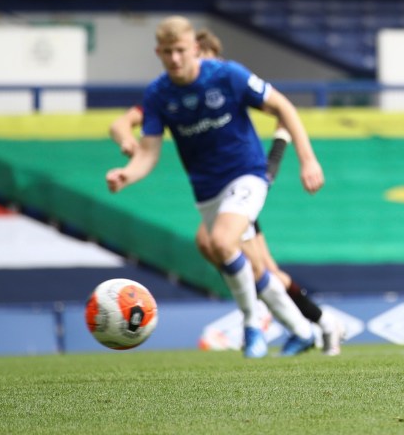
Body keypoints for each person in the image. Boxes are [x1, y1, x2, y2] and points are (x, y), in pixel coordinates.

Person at [109, 28, 345, 356]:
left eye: (187, 53)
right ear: (160, 53)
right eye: (169, 52)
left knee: (226, 245)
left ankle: (281, 324)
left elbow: (281, 113)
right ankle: (303, 329)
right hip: (209, 190)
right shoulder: (162, 94)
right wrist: (127, 161)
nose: (180, 60)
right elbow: (126, 128)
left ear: (196, 52)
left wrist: (304, 157)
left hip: (246, 179)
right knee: (231, 255)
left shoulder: (227, 77)